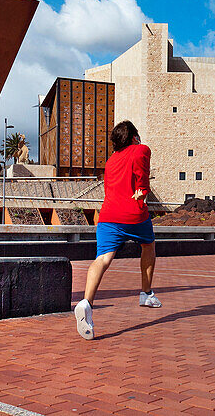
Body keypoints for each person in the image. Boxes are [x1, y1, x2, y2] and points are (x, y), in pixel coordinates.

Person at [74, 120, 158, 341]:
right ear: (133, 137)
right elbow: (143, 179)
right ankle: (146, 293)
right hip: (133, 214)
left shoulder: (110, 161)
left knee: (102, 258)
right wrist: (143, 191)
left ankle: (86, 303)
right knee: (148, 245)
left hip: (108, 217)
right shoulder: (141, 150)